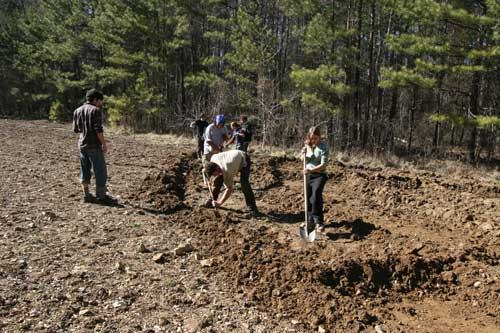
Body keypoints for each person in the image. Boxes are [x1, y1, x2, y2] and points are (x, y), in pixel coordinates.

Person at [72, 88, 114, 204]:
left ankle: (86, 195)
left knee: (84, 169)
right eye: (100, 101)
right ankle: (101, 196)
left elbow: (76, 130)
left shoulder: (77, 110)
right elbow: (98, 130)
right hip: (94, 145)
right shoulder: (95, 110)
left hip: (81, 145)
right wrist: (104, 144)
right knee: (100, 170)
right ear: (95, 99)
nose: (101, 104)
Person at [204, 150, 258, 215]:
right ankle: (212, 200)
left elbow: (229, 189)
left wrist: (220, 203)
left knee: (244, 184)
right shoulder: (213, 159)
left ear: (217, 168)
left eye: (214, 174)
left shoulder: (227, 170)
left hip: (244, 159)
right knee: (217, 180)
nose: (214, 176)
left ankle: (252, 208)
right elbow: (205, 170)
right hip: (232, 157)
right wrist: (208, 179)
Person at [302, 126, 329, 231]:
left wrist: (311, 170)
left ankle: (318, 222)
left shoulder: (324, 147)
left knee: (316, 195)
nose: (314, 140)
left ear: (319, 137)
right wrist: (303, 152)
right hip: (308, 175)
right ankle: (309, 220)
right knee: (308, 197)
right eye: (312, 138)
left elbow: (324, 165)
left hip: (320, 175)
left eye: (316, 138)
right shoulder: (308, 145)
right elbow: (302, 159)